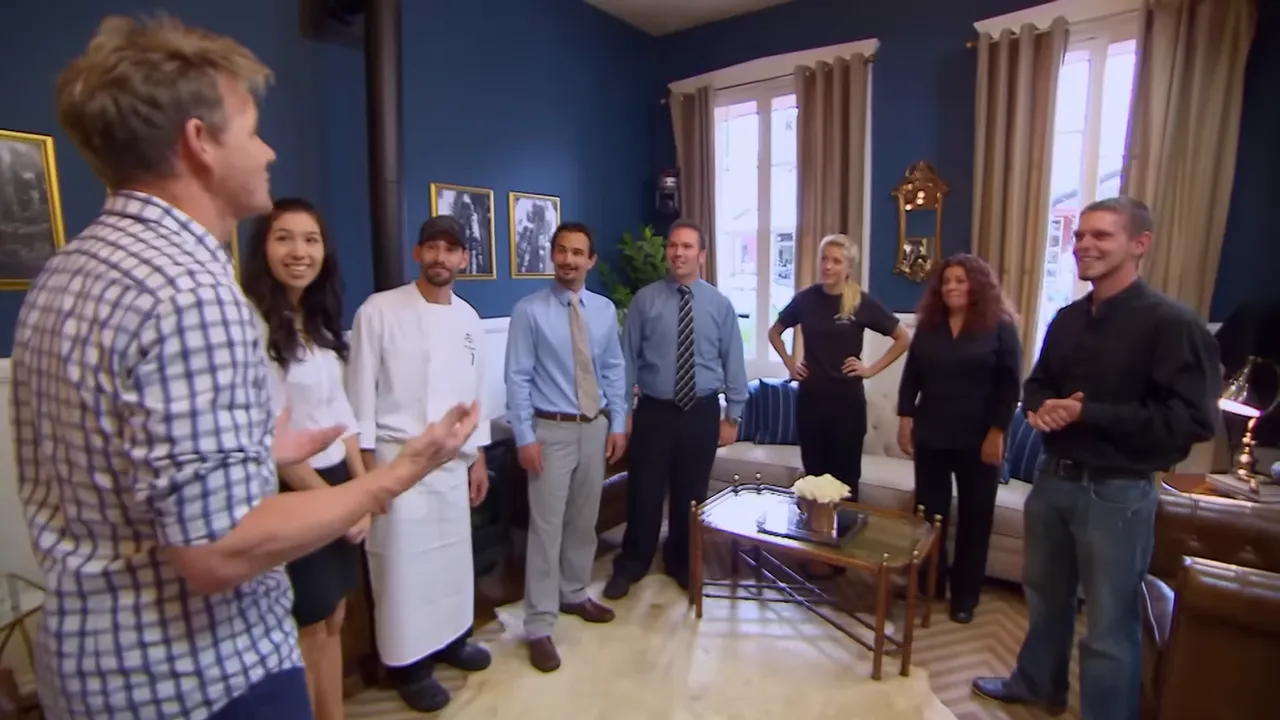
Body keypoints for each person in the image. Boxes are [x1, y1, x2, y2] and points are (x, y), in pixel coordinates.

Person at [10, 15, 479, 720]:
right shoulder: (192, 294)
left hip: (93, 668)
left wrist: (261, 446)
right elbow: (216, 551)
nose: (267, 149)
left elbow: (128, 473)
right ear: (198, 142)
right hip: (200, 680)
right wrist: (396, 473)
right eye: (252, 127)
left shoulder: (69, 270)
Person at [971, 197, 1219, 720]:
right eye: (1080, 235)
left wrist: (1090, 414)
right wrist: (1042, 410)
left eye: (1102, 236)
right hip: (1053, 480)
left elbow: (1191, 423)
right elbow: (1037, 385)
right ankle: (1039, 685)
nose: (1085, 245)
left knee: (1108, 624)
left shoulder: (1174, 324)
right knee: (1045, 600)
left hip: (1119, 492)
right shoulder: (1066, 319)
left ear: (1139, 244)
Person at [347, 215, 493, 713]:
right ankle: (407, 663)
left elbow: (476, 398)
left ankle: (451, 639)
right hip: (395, 459)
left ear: (463, 260)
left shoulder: (470, 319)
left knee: (451, 560)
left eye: (450, 250)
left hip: (453, 463)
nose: (440, 258)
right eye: (432, 248)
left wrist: (478, 459)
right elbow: (359, 394)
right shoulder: (379, 311)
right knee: (403, 569)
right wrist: (367, 473)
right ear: (417, 254)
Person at [241, 197, 367, 720]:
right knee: (309, 622)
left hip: (338, 480)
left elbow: (343, 411)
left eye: (310, 239)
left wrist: (362, 487)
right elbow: (275, 443)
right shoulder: (255, 329)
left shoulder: (316, 322)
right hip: (297, 490)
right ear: (262, 248)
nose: (299, 251)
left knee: (335, 617)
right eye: (284, 238)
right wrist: (340, 505)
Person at [505, 222, 629, 672]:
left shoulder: (602, 310)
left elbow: (613, 369)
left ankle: (574, 592)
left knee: (583, 520)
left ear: (590, 261)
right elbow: (516, 378)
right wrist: (524, 436)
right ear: (552, 256)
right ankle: (538, 624)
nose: (568, 260)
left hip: (594, 428)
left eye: (578, 253)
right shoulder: (528, 312)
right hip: (549, 431)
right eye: (561, 251)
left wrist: (618, 423)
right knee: (546, 528)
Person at [604, 219, 748, 600]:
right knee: (644, 492)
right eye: (673, 246)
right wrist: (623, 413)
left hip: (700, 413)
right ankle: (633, 561)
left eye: (687, 247)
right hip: (654, 412)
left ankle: (682, 561)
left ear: (701, 255)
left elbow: (734, 361)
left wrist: (733, 414)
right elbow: (626, 360)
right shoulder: (645, 300)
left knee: (692, 494)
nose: (678, 253)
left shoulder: (720, 305)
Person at [896, 253, 1021, 624]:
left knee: (975, 519)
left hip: (979, 439)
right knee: (929, 518)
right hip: (932, 435)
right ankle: (930, 585)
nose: (951, 286)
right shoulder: (930, 325)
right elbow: (912, 374)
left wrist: (997, 432)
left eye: (960, 280)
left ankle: (965, 596)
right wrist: (905, 419)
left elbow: (1009, 384)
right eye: (946, 280)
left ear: (977, 286)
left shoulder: (999, 326)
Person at [768, 234, 910, 503]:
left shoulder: (859, 302)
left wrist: (869, 369)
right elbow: (774, 332)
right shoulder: (805, 300)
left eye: (836, 261)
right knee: (813, 482)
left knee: (845, 485)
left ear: (848, 268)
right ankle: (813, 540)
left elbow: (903, 338)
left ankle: (844, 539)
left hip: (847, 405)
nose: (828, 266)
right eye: (824, 259)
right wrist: (790, 364)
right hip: (811, 402)